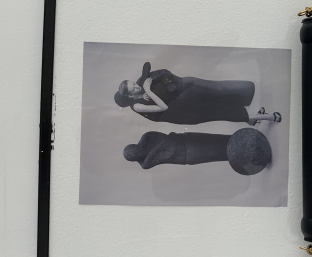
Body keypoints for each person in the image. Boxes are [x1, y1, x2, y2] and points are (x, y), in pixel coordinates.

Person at [114, 62, 282, 125]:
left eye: (132, 84)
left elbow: (149, 67)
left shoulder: (140, 84)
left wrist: (145, 80)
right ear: (129, 96)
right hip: (184, 113)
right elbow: (163, 107)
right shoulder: (137, 106)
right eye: (132, 89)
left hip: (185, 97)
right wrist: (150, 90)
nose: (136, 87)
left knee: (220, 100)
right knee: (220, 112)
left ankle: (252, 119)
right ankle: (266, 117)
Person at [123, 128, 272, 175]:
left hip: (188, 140)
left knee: (223, 141)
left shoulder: (147, 137)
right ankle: (254, 156)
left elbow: (165, 146)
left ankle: (253, 142)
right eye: (135, 155)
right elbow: (160, 151)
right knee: (223, 154)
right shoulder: (145, 163)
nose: (138, 153)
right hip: (189, 155)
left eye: (135, 150)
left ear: (135, 146)